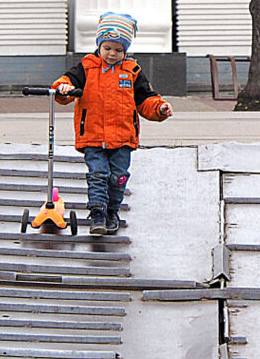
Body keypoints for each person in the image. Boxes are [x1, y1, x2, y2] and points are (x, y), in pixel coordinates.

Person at [52, 12, 172, 235]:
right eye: (107, 48)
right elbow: (66, 82)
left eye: (118, 50)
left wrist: (160, 108)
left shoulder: (132, 71)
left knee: (118, 178)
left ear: (125, 51)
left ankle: (112, 211)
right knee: (98, 174)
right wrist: (63, 88)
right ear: (99, 45)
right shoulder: (87, 67)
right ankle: (97, 212)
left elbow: (145, 99)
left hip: (122, 137)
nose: (112, 54)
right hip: (93, 135)